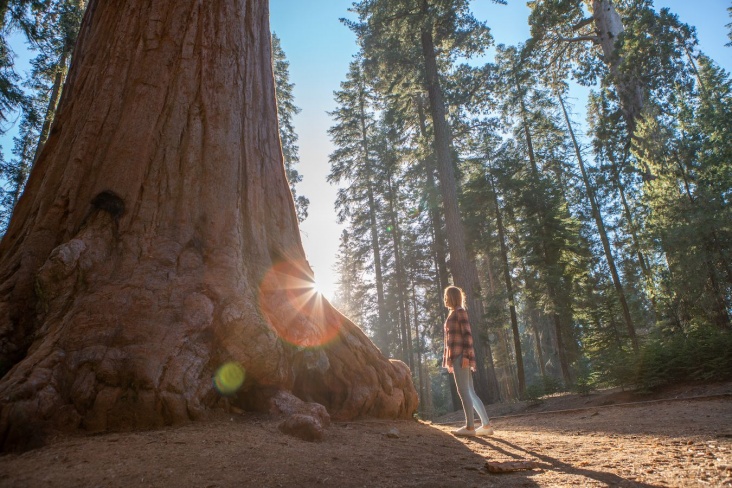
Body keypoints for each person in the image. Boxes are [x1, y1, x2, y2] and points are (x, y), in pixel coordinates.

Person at [442, 285, 493, 437]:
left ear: (451, 297)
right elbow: (449, 340)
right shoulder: (454, 313)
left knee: (463, 391)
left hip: (460, 356)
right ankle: (486, 425)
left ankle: (470, 427)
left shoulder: (460, 312)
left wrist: (465, 356)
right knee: (470, 391)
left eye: (446, 296)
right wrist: (449, 360)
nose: (444, 299)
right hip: (456, 356)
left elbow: (468, 336)